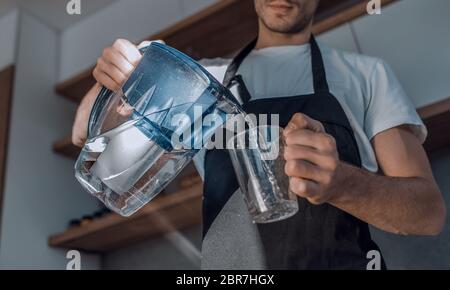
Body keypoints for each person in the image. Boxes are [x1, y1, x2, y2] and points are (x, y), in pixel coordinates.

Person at [71, 0, 446, 269]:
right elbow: (81, 133)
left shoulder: (367, 75)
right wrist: (117, 78)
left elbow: (428, 214)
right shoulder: (201, 83)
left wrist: (343, 184)